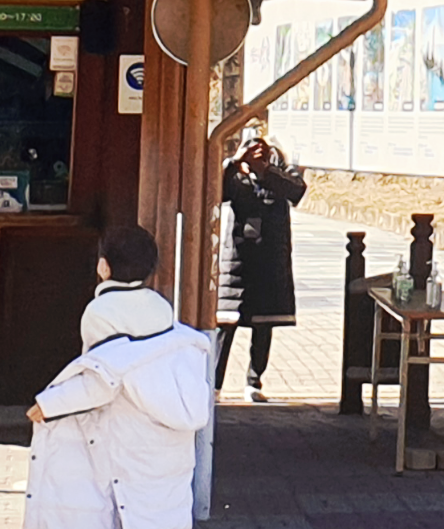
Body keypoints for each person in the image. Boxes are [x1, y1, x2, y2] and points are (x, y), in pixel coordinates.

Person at [24, 223, 214, 529]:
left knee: (121, 510)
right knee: (161, 512)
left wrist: (50, 404)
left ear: (103, 266)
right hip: (170, 436)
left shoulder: (101, 312)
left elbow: (103, 379)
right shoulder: (161, 307)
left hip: (131, 432)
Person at [215, 135, 306, 399]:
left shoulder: (281, 173)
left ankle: (254, 383)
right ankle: (214, 385)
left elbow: (296, 190)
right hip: (237, 261)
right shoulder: (234, 175)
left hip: (270, 260)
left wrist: (266, 171)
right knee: (225, 324)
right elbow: (215, 191)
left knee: (264, 324)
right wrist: (235, 163)